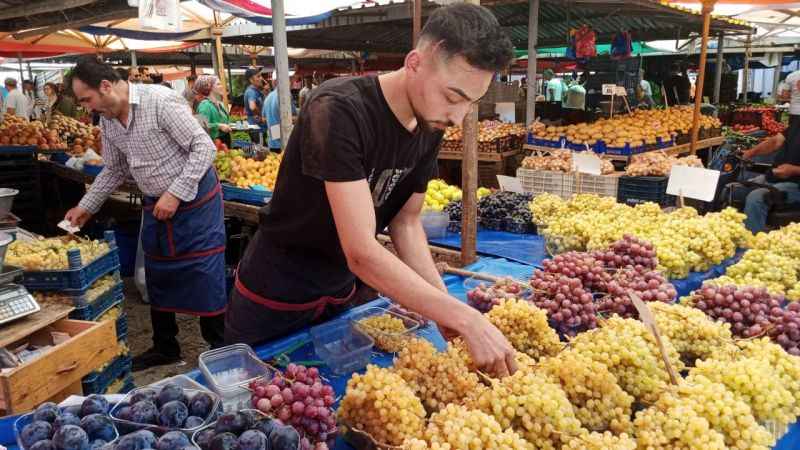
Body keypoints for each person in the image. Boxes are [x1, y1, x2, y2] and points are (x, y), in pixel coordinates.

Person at [225, 2, 519, 377]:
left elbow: (406, 224)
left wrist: (443, 307)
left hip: (339, 294)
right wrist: (464, 317)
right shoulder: (338, 110)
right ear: (415, 63)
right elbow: (362, 251)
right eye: (452, 96)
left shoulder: (429, 126)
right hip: (277, 292)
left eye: (469, 104)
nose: (457, 117)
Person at [64, 57, 227, 371]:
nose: (87, 107)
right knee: (157, 272)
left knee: (203, 273)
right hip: (157, 204)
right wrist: (87, 206)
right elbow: (115, 169)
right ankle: (166, 347)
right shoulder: (108, 121)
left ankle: (219, 347)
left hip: (195, 202)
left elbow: (204, 148)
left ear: (106, 86)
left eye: (87, 99)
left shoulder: (161, 102)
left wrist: (176, 193)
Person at [739, 130, 800, 233]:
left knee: (756, 198)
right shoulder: (797, 121)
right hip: (775, 177)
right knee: (735, 190)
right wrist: (749, 153)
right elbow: (776, 141)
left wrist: (793, 170)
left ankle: (747, 247)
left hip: (796, 187)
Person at [194, 75, 232, 146]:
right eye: (218, 84)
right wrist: (219, 126)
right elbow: (201, 125)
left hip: (224, 141)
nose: (221, 86)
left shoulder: (218, 103)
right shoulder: (204, 105)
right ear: (209, 87)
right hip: (214, 143)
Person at [262, 77, 297, 152]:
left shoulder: (268, 97)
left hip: (272, 142)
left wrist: (273, 123)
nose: (292, 83)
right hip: (284, 141)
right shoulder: (285, 96)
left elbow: (264, 119)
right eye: (289, 80)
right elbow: (291, 118)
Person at [243, 68, 265, 144]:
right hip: (256, 127)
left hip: (256, 126)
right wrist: (261, 115)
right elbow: (252, 107)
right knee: (260, 149)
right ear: (251, 80)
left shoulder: (255, 90)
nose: (261, 78)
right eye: (258, 76)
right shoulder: (251, 92)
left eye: (260, 76)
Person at [778, 69, 800, 139]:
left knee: (793, 136)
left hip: (795, 112)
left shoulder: (792, 76)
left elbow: (784, 95)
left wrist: (794, 96)